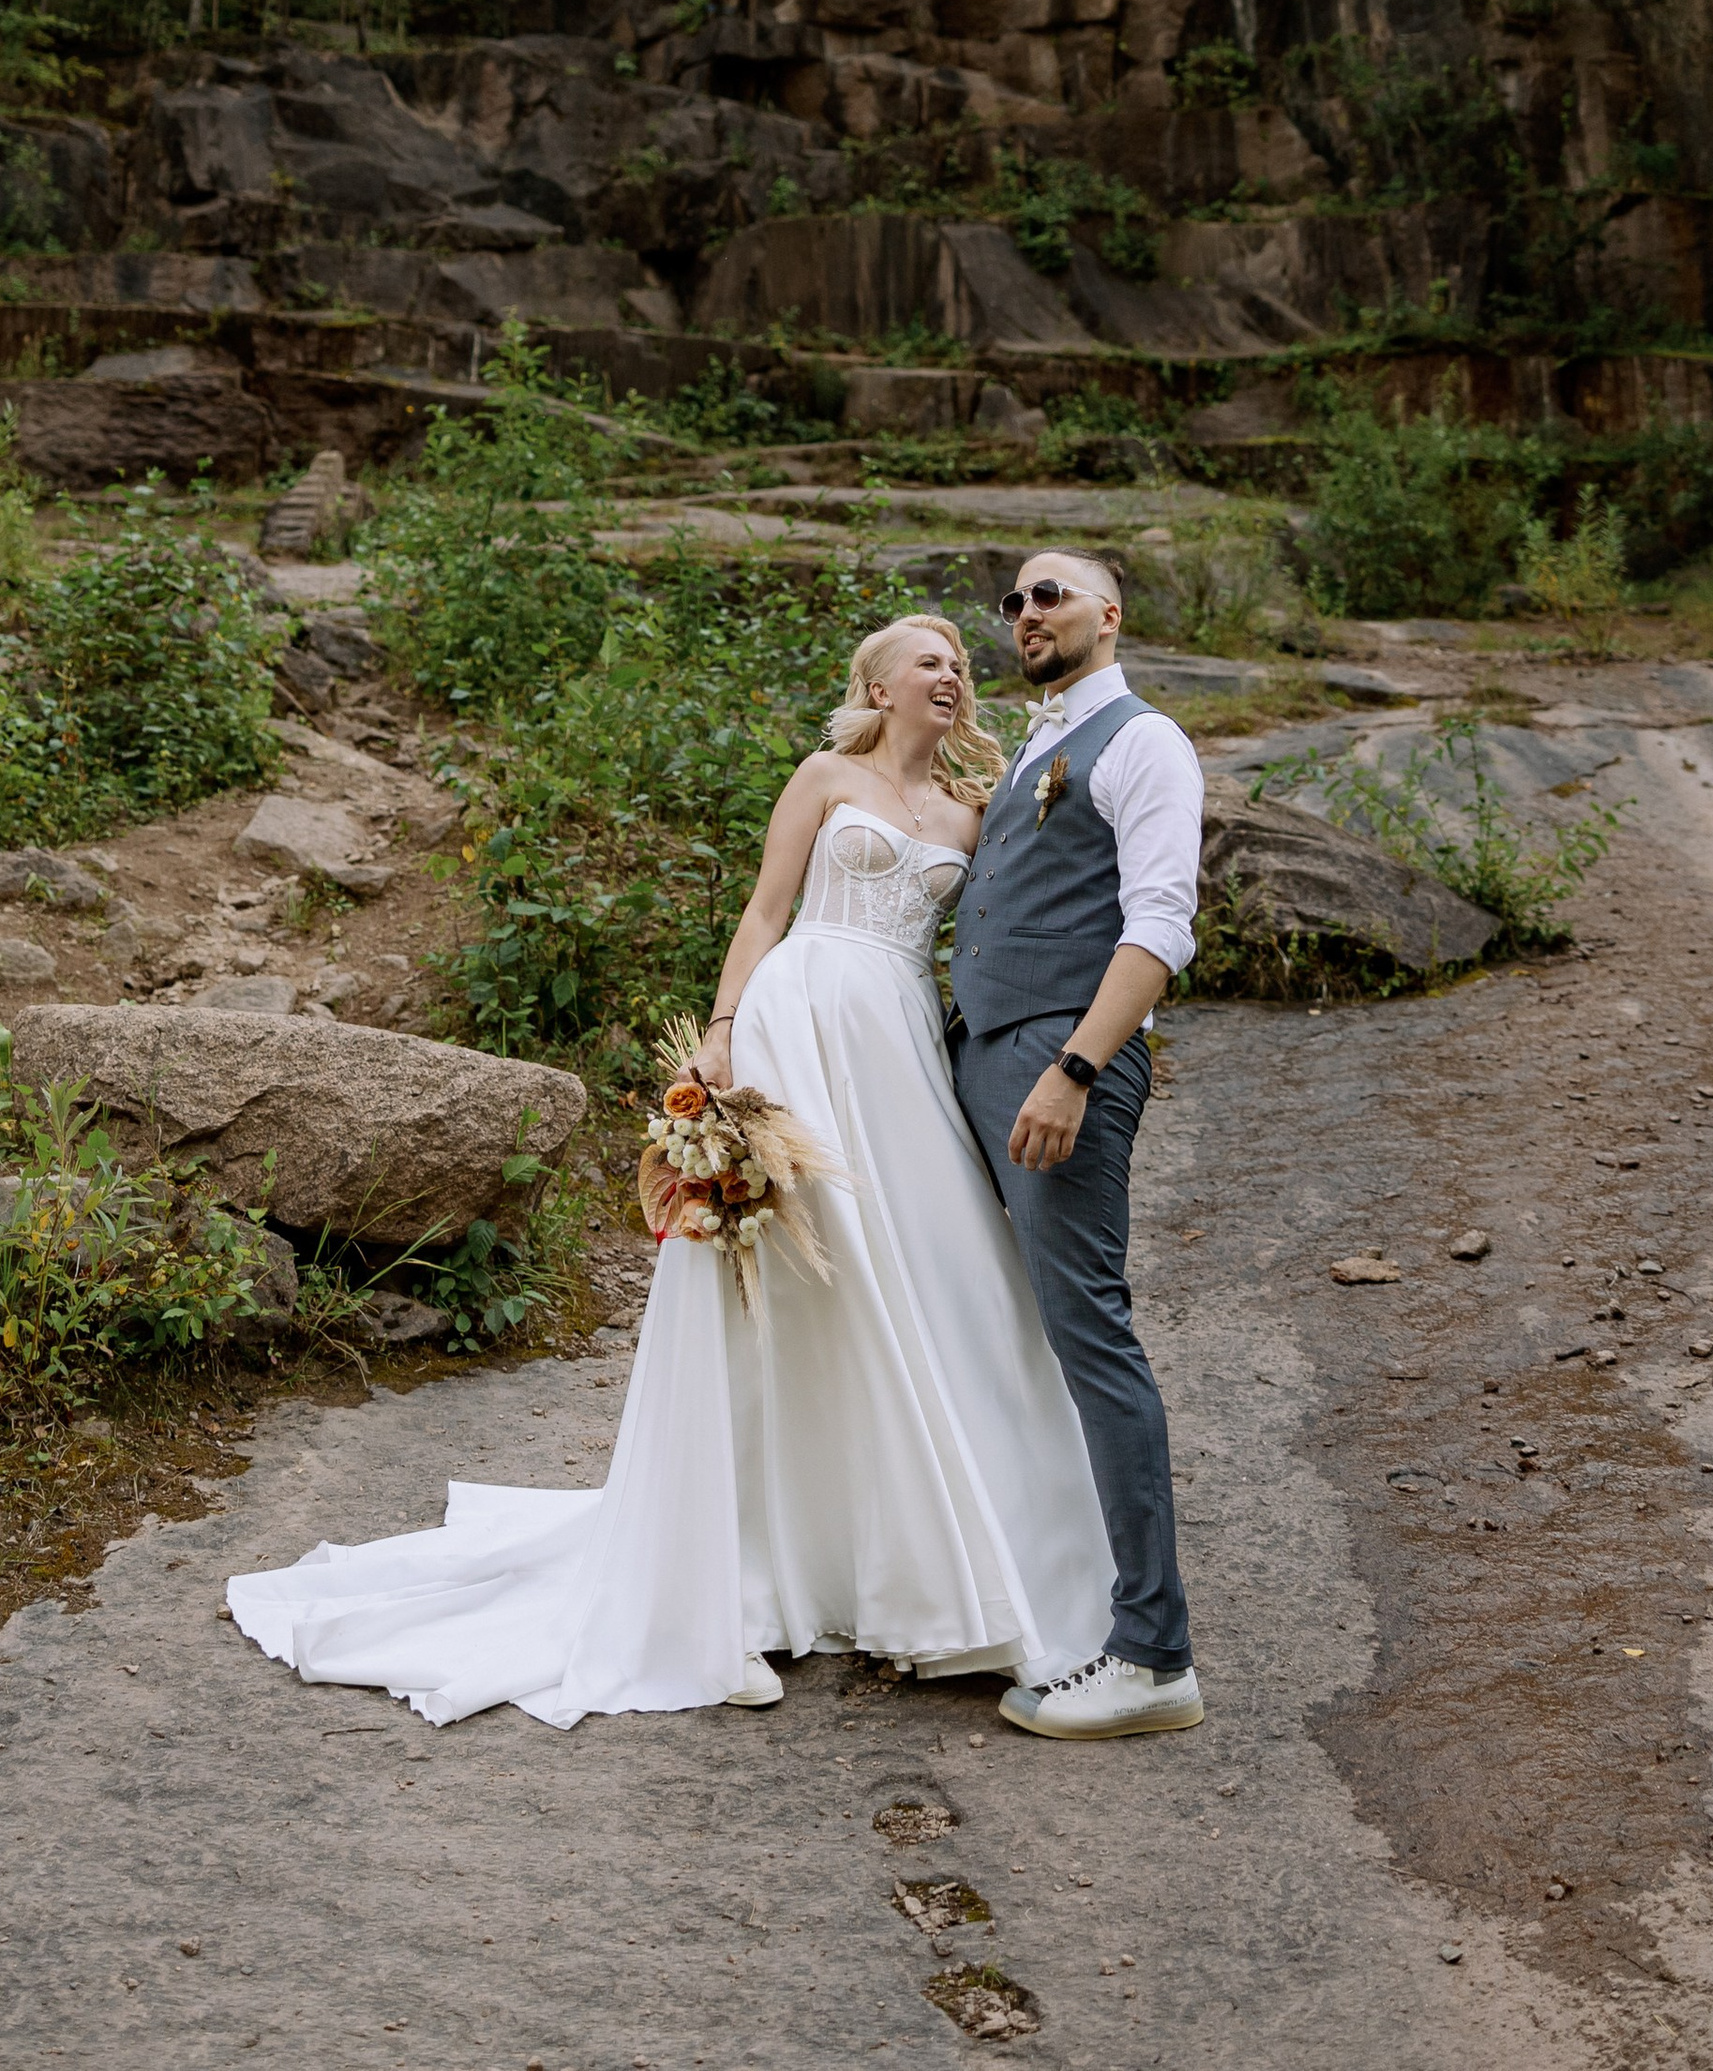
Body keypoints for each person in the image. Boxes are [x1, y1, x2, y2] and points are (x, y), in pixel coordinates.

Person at [225, 614, 1115, 1726]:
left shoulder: (971, 814)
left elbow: (1010, 920)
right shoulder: (824, 774)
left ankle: (929, 1559)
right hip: (800, 1021)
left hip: (897, 1043)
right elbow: (765, 909)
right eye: (927, 661)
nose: (950, 675)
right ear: (878, 684)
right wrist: (724, 1029)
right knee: (796, 1274)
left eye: (957, 666)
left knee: (935, 1273)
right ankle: (749, 1570)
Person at [948, 548, 1205, 1741]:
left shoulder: (1142, 742)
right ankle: (1026, 1592)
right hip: (992, 1055)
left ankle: (1153, 1656)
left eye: (1050, 594)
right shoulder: (1035, 751)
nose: (1026, 613)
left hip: (1061, 1065)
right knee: (1003, 1329)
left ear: (1111, 614)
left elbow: (1159, 925)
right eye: (1012, 602)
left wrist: (1075, 1068)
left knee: (1091, 1333)